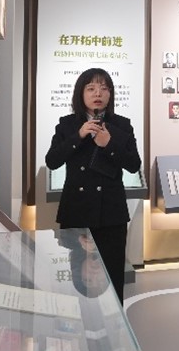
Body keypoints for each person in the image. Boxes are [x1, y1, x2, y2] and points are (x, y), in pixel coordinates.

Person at [44, 69, 142, 300]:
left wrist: (109, 144)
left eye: (104, 88)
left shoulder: (122, 125)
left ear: (110, 94)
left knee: (113, 274)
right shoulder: (67, 124)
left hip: (111, 214)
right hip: (76, 211)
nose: (98, 93)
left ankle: (116, 318)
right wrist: (78, 136)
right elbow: (52, 161)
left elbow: (134, 165)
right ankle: (79, 316)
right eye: (91, 88)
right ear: (81, 93)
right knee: (77, 273)